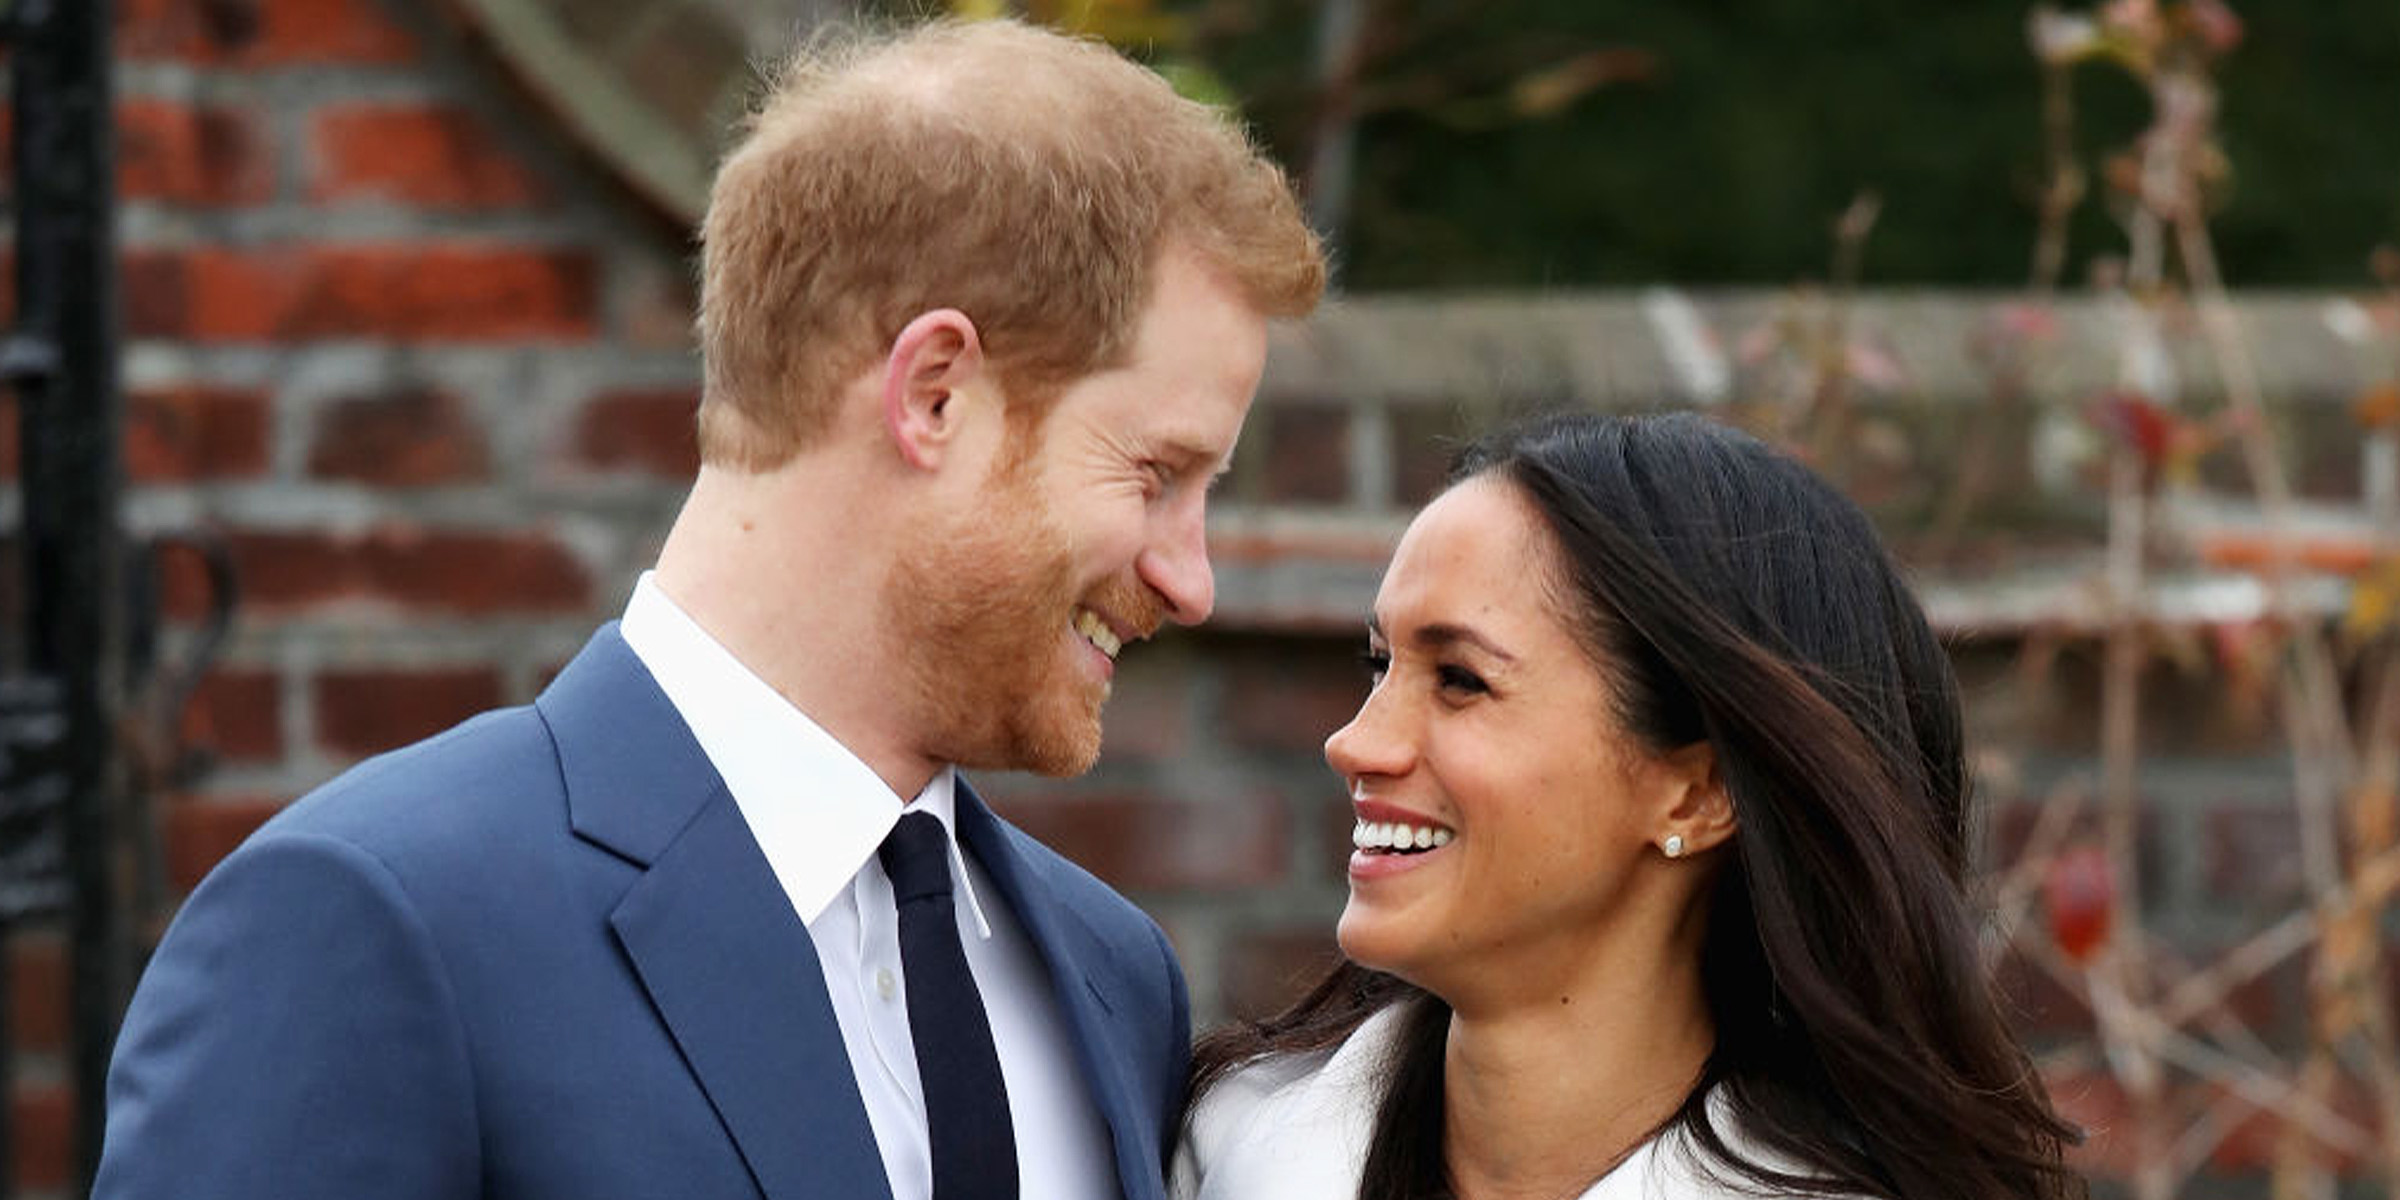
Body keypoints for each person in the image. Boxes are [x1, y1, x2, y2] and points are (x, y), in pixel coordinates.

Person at [96, 19, 1322, 1200]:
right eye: (1155, 475)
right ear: (935, 394)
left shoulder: (1113, 976)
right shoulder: (377, 923)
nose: (1192, 580)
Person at [1175, 412, 2083, 1200]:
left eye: (1459, 680)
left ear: (1697, 793)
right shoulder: (1213, 1151)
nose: (1355, 743)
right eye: (1380, 666)